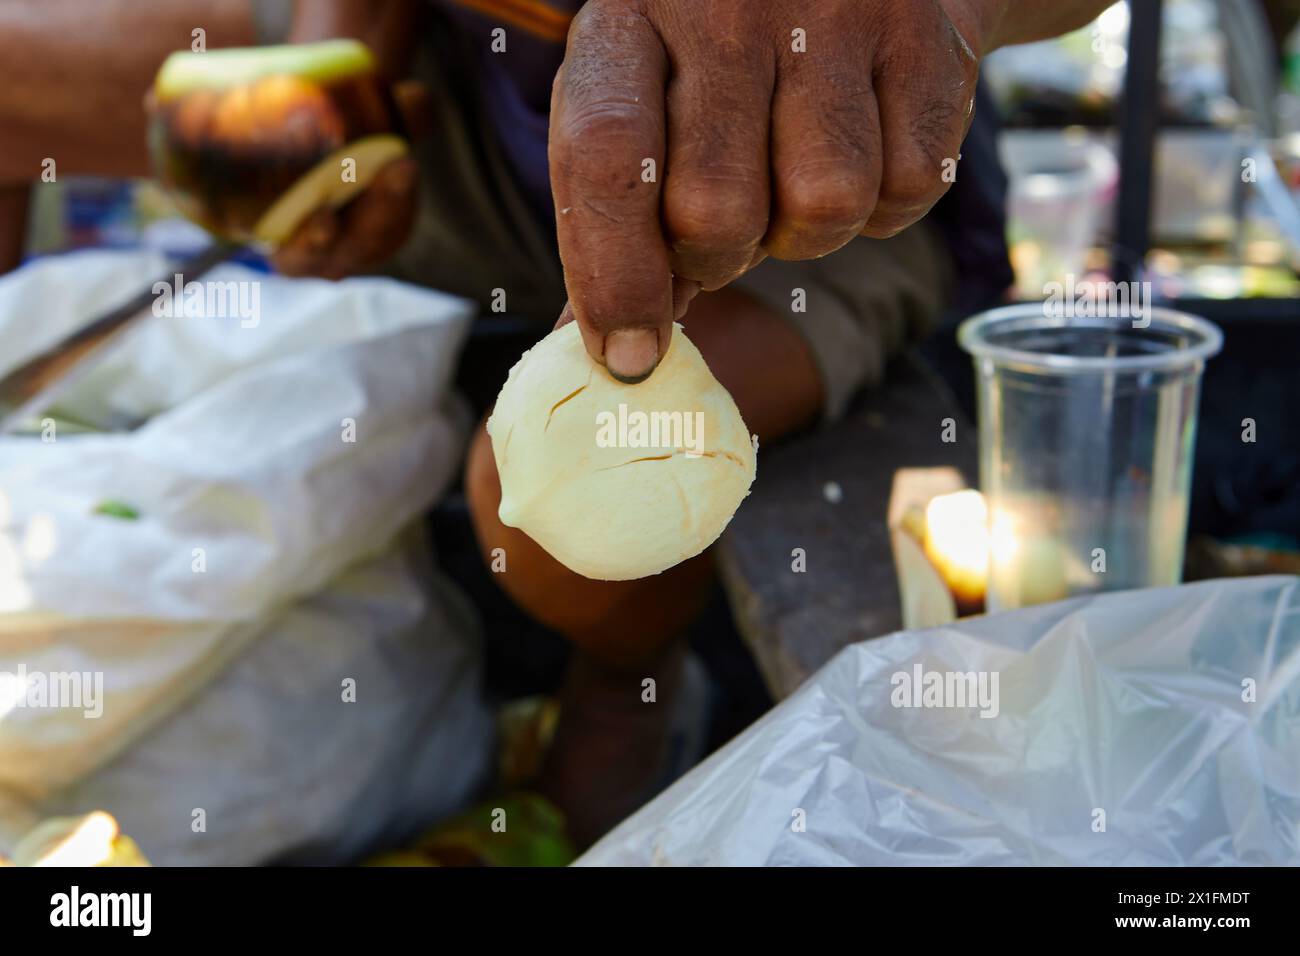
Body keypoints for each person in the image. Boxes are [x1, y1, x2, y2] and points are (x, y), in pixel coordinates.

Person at [0, 0, 1114, 847]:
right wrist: (349, 76)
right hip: (478, 107)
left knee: (553, 494)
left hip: (797, 161)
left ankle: (625, 684)